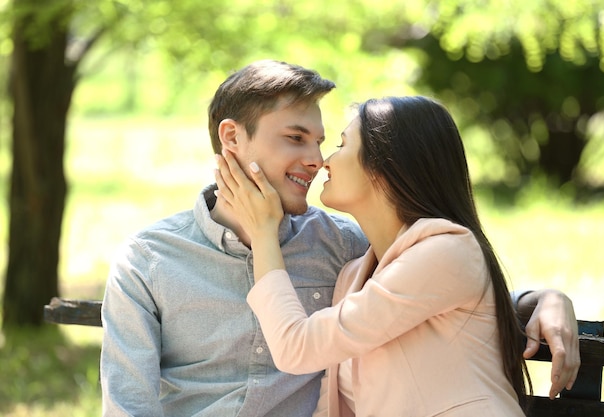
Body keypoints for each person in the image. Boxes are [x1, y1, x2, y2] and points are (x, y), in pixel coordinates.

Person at [100, 60, 579, 417]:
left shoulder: (341, 247)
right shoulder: (150, 261)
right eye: (295, 138)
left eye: (325, 141)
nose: (317, 158)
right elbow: (128, 405)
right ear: (231, 139)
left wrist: (544, 298)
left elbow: (440, 288)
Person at [214, 95, 577, 416]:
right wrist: (544, 298)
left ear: (385, 168)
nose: (323, 162)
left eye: (340, 145)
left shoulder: (447, 249)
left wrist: (265, 234)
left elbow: (297, 347)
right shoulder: (354, 274)